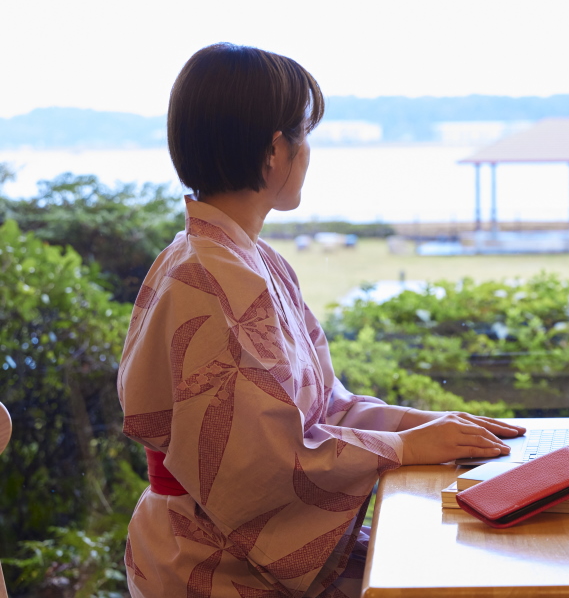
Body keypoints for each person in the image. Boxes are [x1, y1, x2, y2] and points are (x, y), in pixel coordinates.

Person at [117, 43, 525, 598]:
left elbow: (323, 409)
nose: (307, 153)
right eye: (304, 135)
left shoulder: (238, 261)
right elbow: (265, 467)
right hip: (211, 560)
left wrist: (421, 425)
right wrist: (406, 448)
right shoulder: (215, 280)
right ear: (274, 151)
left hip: (218, 541)